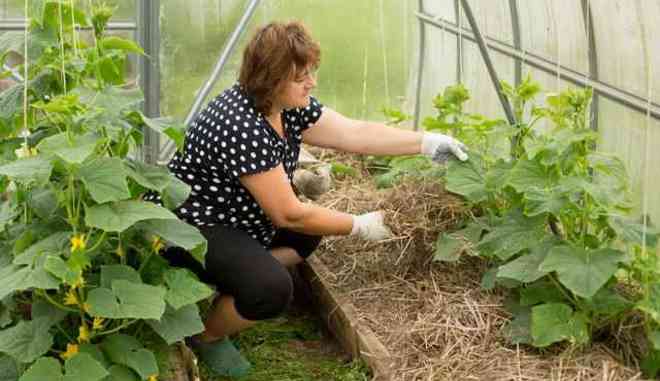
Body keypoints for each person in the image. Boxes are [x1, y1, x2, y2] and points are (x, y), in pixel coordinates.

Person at [147, 20, 468, 377]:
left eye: (310, 72)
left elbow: (355, 134)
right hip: (190, 226)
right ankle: (205, 336)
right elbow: (289, 214)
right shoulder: (240, 123)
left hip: (238, 216)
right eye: (301, 77)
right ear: (271, 77)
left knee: (310, 232)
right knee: (271, 289)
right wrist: (360, 226)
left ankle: (231, 284)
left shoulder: (284, 106)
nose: (311, 83)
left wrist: (426, 142)